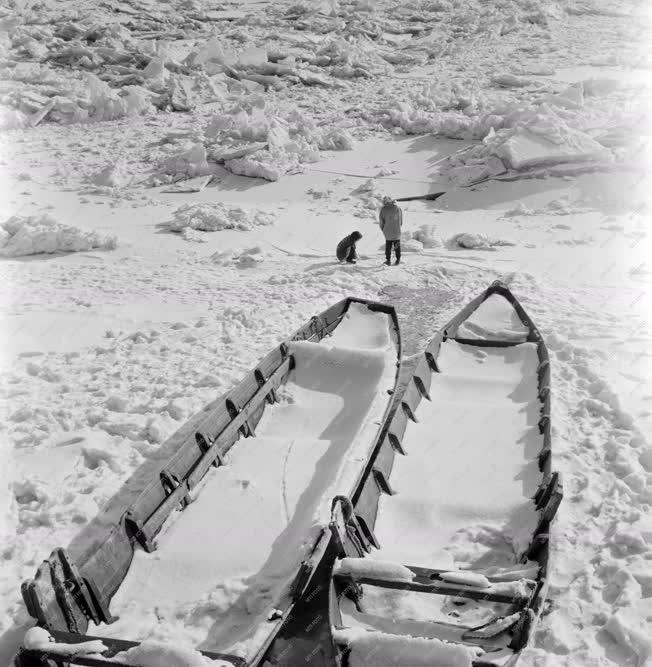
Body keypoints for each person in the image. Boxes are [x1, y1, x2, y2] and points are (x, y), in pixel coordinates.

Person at [379, 195, 402, 265]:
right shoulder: (398, 208)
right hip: (397, 231)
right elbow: (401, 220)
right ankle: (398, 260)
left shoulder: (383, 209)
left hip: (388, 231)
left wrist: (383, 229)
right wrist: (398, 227)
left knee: (388, 247)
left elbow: (381, 221)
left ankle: (388, 260)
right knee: (397, 246)